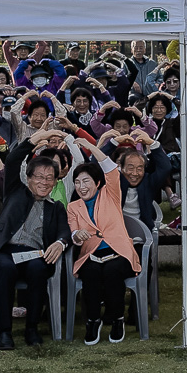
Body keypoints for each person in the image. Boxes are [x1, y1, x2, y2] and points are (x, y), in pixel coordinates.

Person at [0, 147, 72, 349]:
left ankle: (31, 328)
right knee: (5, 269)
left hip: (34, 255)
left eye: (50, 178)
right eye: (39, 177)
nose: (44, 182)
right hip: (6, 251)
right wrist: (34, 140)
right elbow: (13, 158)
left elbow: (65, 232)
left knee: (38, 269)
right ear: (29, 178)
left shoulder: (55, 207)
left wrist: (60, 242)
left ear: (56, 182)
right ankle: (5, 332)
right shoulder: (15, 190)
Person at [64, 138, 140, 345]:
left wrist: (91, 147)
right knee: (91, 272)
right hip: (91, 254)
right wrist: (77, 236)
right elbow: (73, 232)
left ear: (97, 183)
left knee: (112, 271)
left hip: (119, 252)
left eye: (86, 181)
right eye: (77, 182)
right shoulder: (73, 207)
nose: (81, 186)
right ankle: (93, 321)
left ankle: (117, 319)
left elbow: (111, 168)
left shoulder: (111, 194)